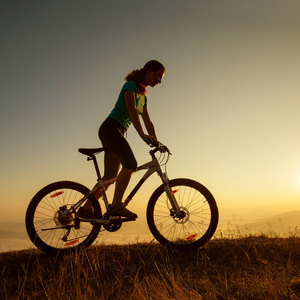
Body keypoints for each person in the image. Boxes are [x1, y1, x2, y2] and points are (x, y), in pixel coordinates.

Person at [78, 60, 165, 219]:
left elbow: (148, 122)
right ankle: (116, 205)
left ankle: (85, 210)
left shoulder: (143, 97)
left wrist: (156, 141)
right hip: (110, 129)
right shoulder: (131, 85)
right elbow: (131, 110)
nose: (159, 81)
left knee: (110, 178)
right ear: (150, 70)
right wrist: (143, 136)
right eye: (159, 76)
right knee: (130, 164)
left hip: (117, 131)